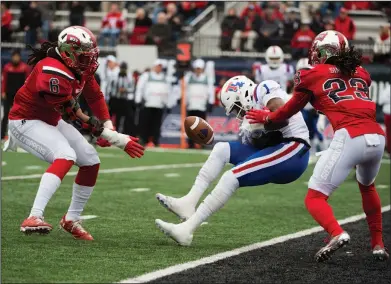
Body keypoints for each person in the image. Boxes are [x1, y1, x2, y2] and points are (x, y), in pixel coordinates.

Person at [245, 30, 388, 261]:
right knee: (368, 187)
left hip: (350, 135)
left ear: (321, 51)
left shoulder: (311, 74)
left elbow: (288, 111)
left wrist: (266, 118)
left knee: (314, 197)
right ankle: (378, 244)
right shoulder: (361, 73)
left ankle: (336, 233)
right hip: (377, 137)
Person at [3, 26, 144, 240]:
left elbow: (94, 96)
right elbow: (73, 115)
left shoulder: (79, 67)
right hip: (25, 121)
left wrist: (108, 126)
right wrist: (115, 139)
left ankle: (71, 219)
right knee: (65, 155)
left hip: (50, 119)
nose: (89, 61)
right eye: (84, 56)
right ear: (68, 52)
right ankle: (34, 216)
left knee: (90, 160)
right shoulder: (52, 70)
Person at [155, 77, 310, 246]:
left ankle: (186, 230)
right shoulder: (249, 116)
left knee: (231, 177)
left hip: (294, 150)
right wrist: (256, 131)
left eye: (237, 107)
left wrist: (263, 121)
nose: (239, 114)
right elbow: (261, 143)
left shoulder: (264, 89)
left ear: (243, 94)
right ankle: (189, 203)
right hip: (280, 147)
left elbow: (282, 116)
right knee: (222, 149)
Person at [135, 59, 172, 146]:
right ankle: (143, 139)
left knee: (157, 125)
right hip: (147, 104)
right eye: (157, 66)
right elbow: (140, 88)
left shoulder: (165, 78)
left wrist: (168, 103)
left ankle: (155, 140)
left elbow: (168, 92)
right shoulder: (146, 76)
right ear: (154, 66)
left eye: (160, 66)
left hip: (159, 105)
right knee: (145, 123)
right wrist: (138, 100)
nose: (159, 68)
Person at [296, 58, 325, 155]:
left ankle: (325, 151)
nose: (304, 73)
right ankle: (312, 153)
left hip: (315, 110)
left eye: (307, 70)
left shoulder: (318, 83)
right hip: (304, 110)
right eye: (302, 70)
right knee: (308, 133)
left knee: (318, 130)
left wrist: (319, 113)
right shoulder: (297, 84)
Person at [184, 59, 215, 148]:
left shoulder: (207, 78)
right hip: (191, 106)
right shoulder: (188, 77)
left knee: (202, 127)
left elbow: (210, 90)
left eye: (200, 68)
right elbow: (184, 89)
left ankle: (202, 143)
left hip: (202, 106)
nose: (198, 70)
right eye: (197, 68)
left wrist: (210, 102)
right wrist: (185, 102)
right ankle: (191, 144)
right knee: (190, 127)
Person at [1, 49, 31, 140]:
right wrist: (2, 92)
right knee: (6, 115)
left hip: (20, 96)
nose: (15, 58)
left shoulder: (25, 68)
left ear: (20, 57)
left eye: (17, 56)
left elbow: (27, 82)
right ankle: (2, 135)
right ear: (12, 57)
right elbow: (4, 81)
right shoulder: (7, 67)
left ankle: (21, 137)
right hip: (8, 95)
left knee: (21, 116)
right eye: (14, 57)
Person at [108, 62, 137, 135]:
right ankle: (113, 131)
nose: (123, 70)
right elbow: (110, 88)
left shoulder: (129, 77)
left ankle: (123, 133)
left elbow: (133, 89)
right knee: (113, 116)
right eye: (122, 68)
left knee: (124, 117)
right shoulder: (115, 76)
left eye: (124, 69)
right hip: (115, 99)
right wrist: (115, 91)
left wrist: (125, 90)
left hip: (124, 100)